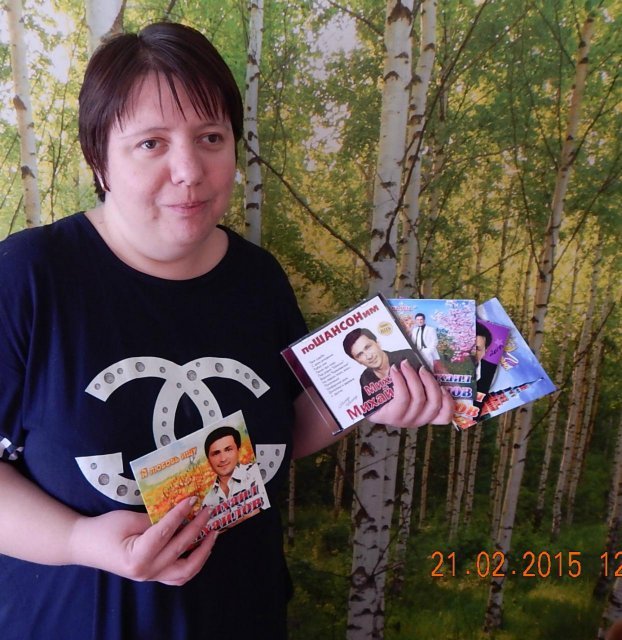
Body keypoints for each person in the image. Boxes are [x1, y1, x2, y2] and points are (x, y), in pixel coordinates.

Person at [0, 22, 453, 640]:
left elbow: (276, 434)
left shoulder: (258, 278)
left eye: (210, 137)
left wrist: (373, 398)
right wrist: (80, 540)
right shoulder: (29, 275)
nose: (190, 170)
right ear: (99, 158)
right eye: (151, 143)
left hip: (243, 613)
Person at [201, 426, 266, 530]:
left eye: (228, 450)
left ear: (238, 450)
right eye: (216, 453)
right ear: (209, 461)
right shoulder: (208, 500)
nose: (223, 459)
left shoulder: (254, 473)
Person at [343, 328, 422, 404]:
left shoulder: (407, 356)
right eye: (360, 354)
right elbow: (372, 409)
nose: (369, 356)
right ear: (357, 361)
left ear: (378, 343)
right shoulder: (365, 378)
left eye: (368, 347)